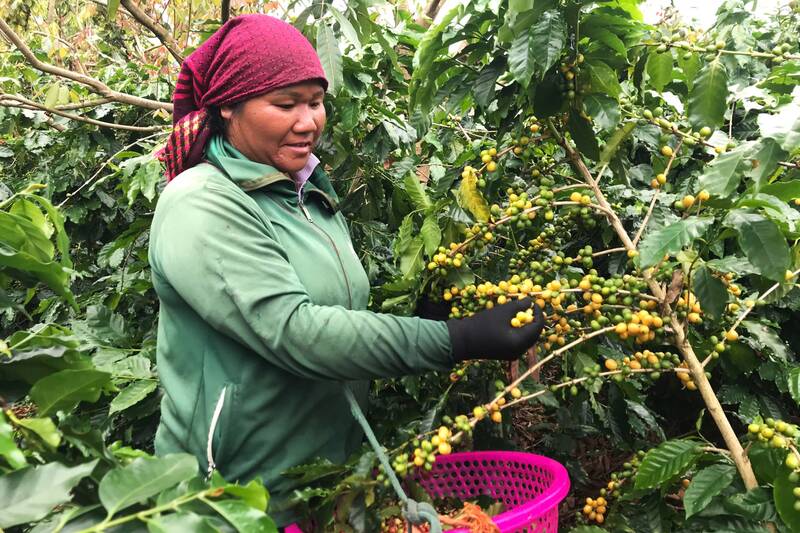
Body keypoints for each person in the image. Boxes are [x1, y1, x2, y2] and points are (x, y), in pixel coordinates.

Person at [150, 14, 545, 528]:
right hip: (230, 496)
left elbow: (337, 310)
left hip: (325, 480)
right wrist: (453, 339)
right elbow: (297, 331)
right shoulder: (202, 203)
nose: (308, 120)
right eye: (285, 104)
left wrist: (422, 315)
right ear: (228, 105)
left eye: (315, 101)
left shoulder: (306, 190)